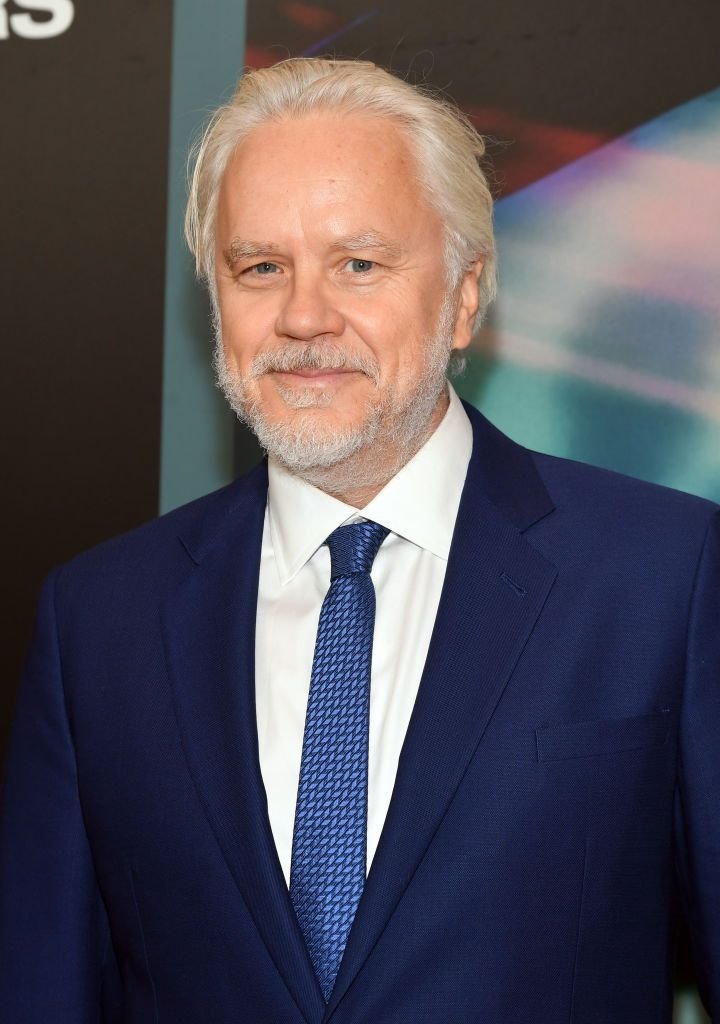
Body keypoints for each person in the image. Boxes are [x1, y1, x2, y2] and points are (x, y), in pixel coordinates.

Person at [0, 57, 718, 1024]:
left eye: (359, 264)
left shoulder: (667, 577)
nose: (302, 316)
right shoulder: (97, 621)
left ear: (465, 297)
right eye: (261, 267)